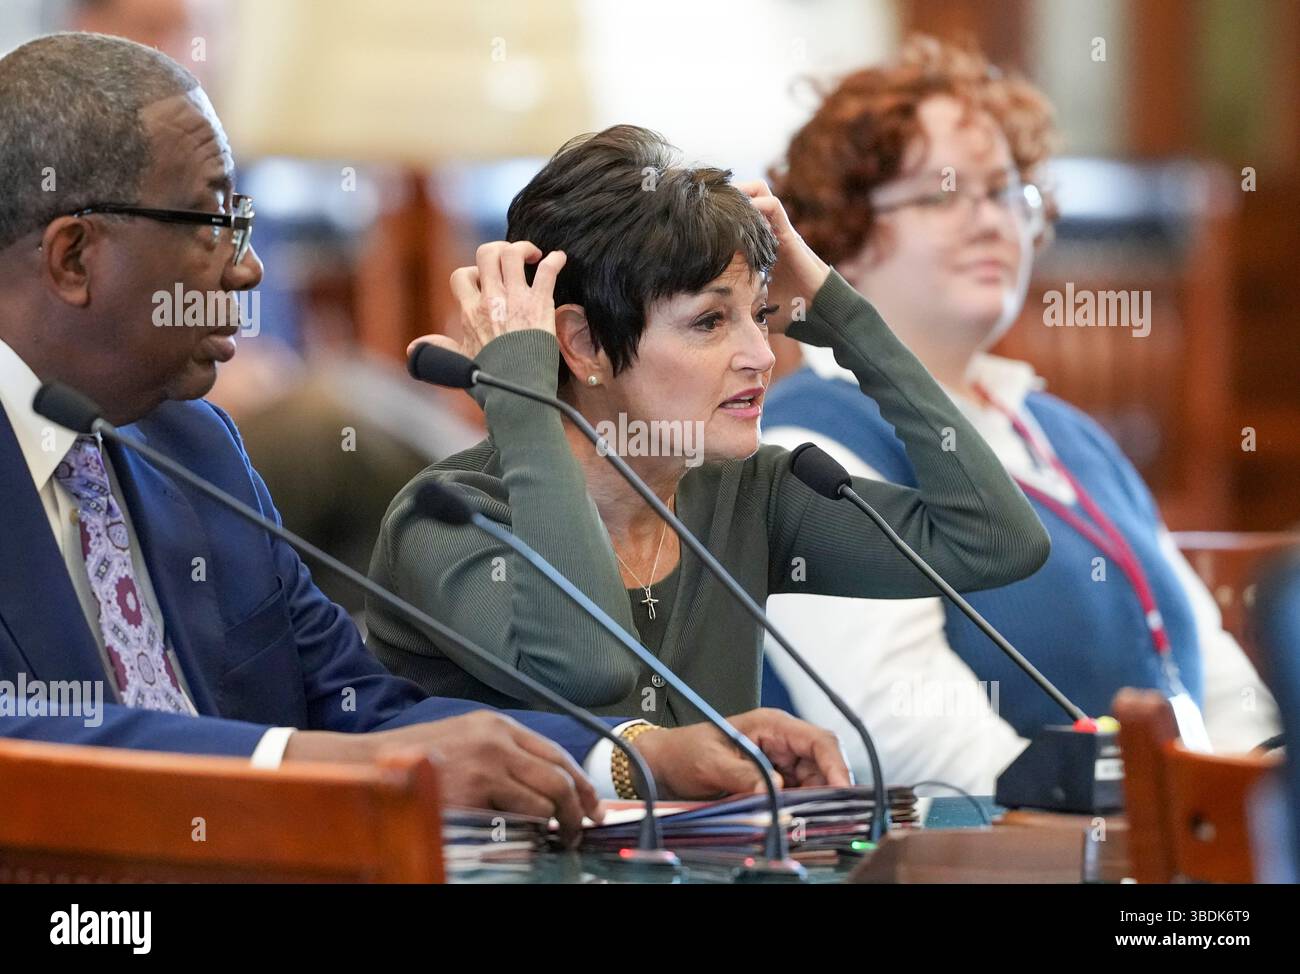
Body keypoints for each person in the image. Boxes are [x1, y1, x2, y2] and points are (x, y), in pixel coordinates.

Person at [0, 33, 851, 840]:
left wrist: (633, 757)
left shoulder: (195, 448)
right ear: (75, 256)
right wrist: (326, 761)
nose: (247, 266)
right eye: (215, 221)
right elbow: (20, 743)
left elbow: (355, 704)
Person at [367, 124, 1051, 727]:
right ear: (581, 345)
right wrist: (523, 400)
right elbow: (589, 666)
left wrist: (838, 309)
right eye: (709, 321)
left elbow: (994, 543)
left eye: (761, 312)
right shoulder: (448, 520)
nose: (760, 355)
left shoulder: (747, 491)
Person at [759, 36, 1279, 792]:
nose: (989, 220)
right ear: (838, 236)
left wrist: (1262, 783)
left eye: (1006, 191)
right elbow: (916, 745)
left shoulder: (1064, 431)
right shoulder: (808, 441)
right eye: (942, 193)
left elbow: (1209, 660)